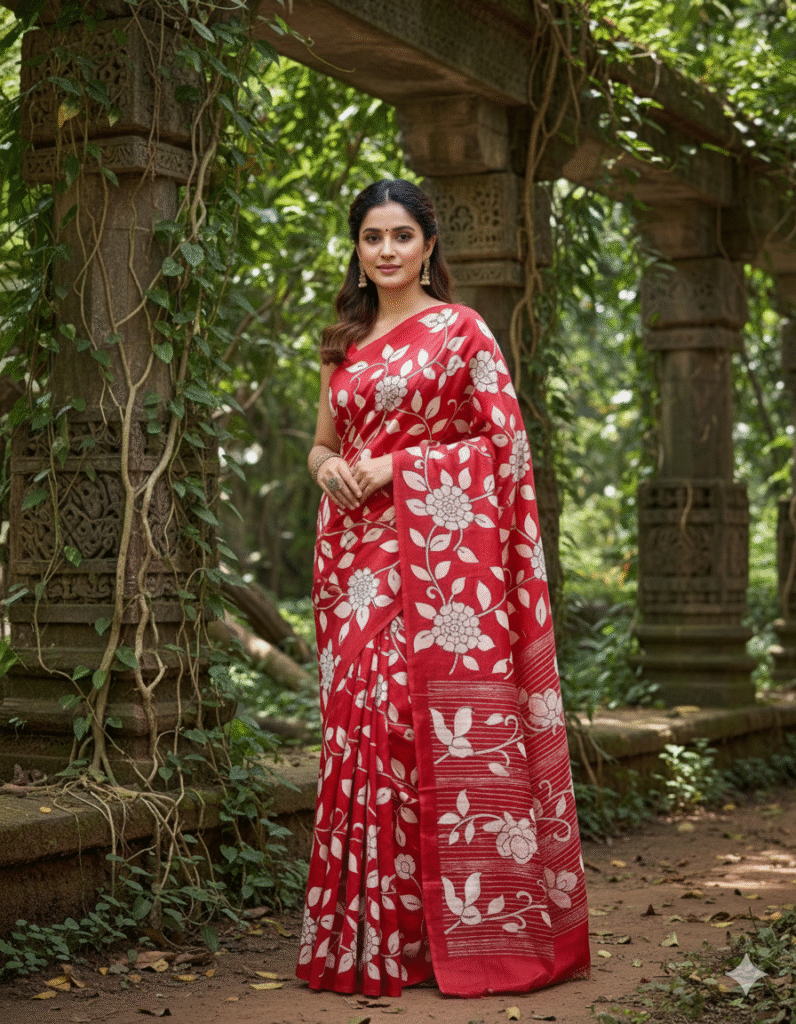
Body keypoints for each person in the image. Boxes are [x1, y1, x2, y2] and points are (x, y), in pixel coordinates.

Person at [297, 179, 590, 998]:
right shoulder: (342, 341)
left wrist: (399, 465)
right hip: (352, 559)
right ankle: (374, 938)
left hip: (434, 555)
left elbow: (504, 447)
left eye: (401, 235)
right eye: (370, 237)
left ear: (429, 245)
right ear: (356, 250)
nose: (385, 250)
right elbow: (322, 444)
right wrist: (330, 474)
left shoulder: (462, 332)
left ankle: (442, 935)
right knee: (359, 725)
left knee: (408, 717)